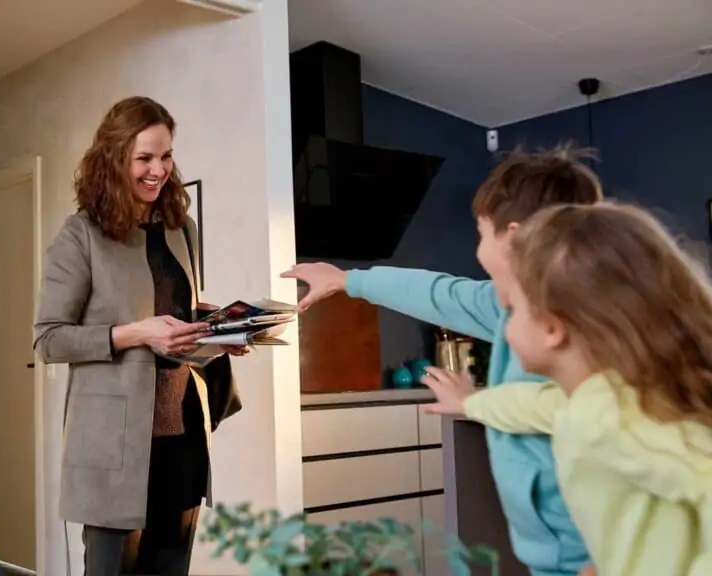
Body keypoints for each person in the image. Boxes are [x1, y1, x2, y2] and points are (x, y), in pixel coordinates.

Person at [281, 146, 602, 576]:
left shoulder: (596, 329)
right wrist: (346, 279)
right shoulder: (506, 307)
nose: (478, 253)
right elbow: (441, 293)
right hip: (549, 558)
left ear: (512, 237)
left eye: (481, 235)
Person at [420, 202, 712, 576]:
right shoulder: (599, 397)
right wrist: (470, 404)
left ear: (552, 329)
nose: (505, 326)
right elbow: (531, 404)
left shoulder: (610, 417)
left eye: (513, 308)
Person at [34, 96, 246, 576]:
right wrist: (135, 333)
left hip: (184, 438)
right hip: (115, 448)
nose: (159, 170)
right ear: (114, 159)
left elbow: (178, 319)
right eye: (144, 158)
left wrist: (221, 332)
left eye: (166, 156)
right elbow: (50, 339)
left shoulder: (181, 229)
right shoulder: (80, 235)